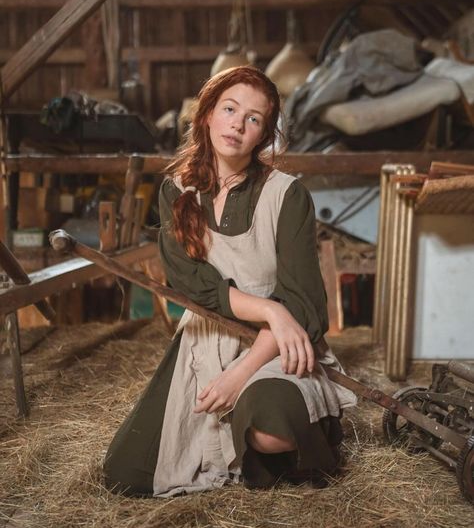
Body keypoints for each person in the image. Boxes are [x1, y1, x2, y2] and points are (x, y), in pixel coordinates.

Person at [103, 66, 356, 498]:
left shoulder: (287, 195)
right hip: (205, 339)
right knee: (127, 474)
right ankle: (250, 451)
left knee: (269, 429)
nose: (238, 124)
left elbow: (304, 303)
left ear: (263, 135)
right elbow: (195, 286)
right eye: (230, 109)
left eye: (254, 118)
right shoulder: (175, 191)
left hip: (274, 344)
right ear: (207, 115)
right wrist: (270, 309)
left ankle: (309, 439)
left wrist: (240, 372)